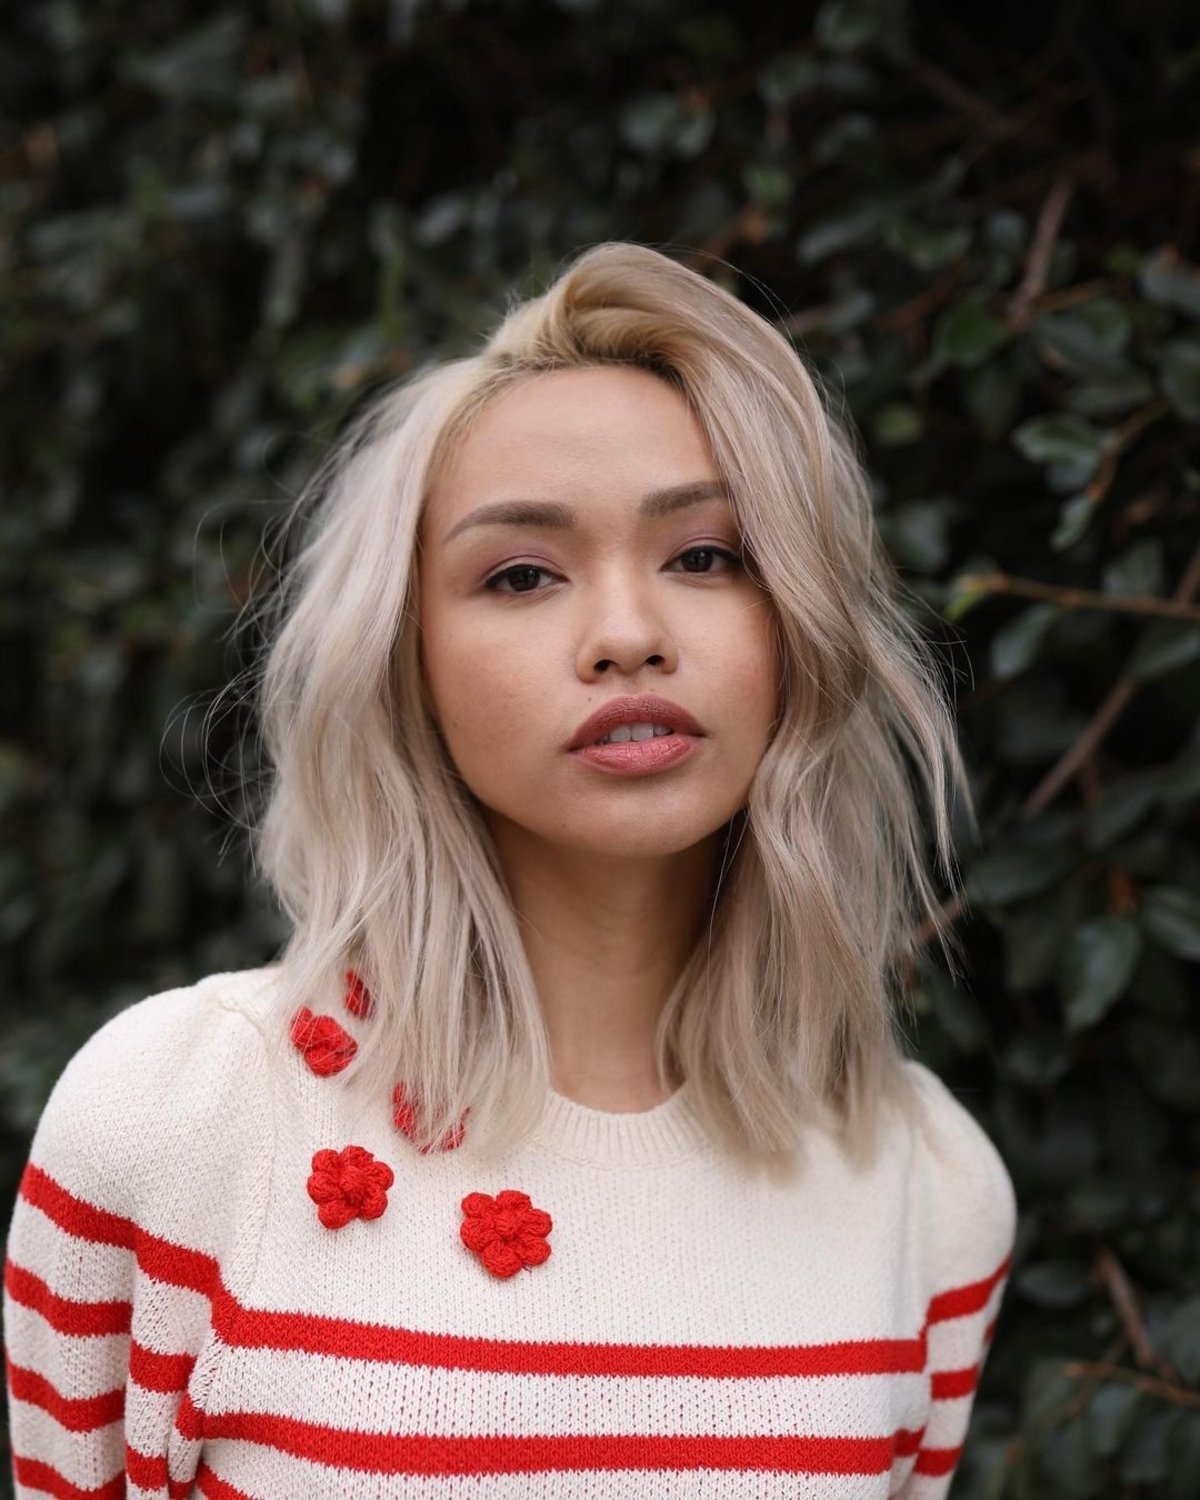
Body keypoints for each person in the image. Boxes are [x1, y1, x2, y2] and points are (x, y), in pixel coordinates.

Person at [4, 242, 1016, 1499]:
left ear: (798, 628)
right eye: (521, 574)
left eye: (706, 555)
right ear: (404, 664)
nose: (628, 636)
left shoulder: (928, 1186)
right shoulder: (186, 1123)